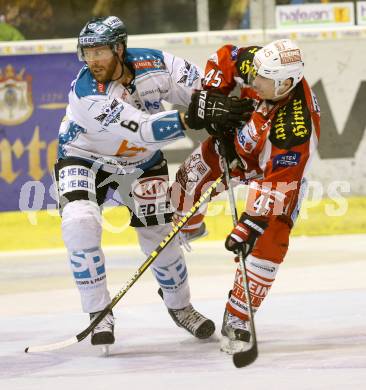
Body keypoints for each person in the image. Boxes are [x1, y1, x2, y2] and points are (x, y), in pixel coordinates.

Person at [54, 16, 249, 347]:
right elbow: (145, 128)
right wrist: (197, 115)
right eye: (87, 53)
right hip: (84, 155)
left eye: (100, 52)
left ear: (119, 48)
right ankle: (98, 312)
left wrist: (224, 115)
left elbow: (202, 91)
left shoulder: (156, 63)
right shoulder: (87, 93)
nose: (92, 61)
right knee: (79, 221)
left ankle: (180, 306)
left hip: (142, 160)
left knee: (160, 234)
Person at [172, 39, 321, 353]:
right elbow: (224, 57)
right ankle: (189, 228)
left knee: (269, 239)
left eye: (264, 80)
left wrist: (250, 224)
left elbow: (279, 185)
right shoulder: (260, 63)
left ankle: (238, 316)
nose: (255, 81)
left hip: (275, 175)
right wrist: (216, 101)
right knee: (186, 181)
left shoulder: (294, 130)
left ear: (286, 84)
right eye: (258, 74)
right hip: (239, 142)